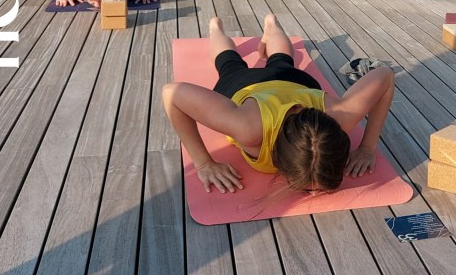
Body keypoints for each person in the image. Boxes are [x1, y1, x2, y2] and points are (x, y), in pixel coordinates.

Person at [162, 14, 396, 194]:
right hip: (245, 87)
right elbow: (171, 94)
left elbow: (385, 75)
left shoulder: (342, 116)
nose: (314, 193)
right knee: (229, 64)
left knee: (282, 61)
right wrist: (203, 164)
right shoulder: (247, 129)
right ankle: (216, 28)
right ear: (279, 159)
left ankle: (272, 25)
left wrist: (367, 147)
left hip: (296, 85)